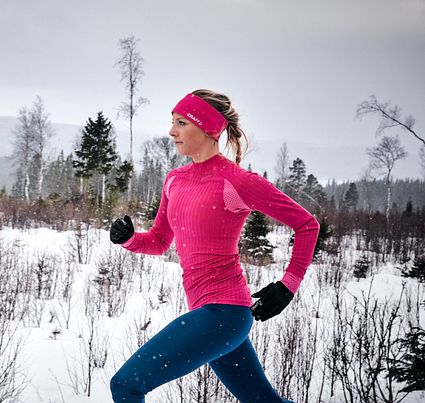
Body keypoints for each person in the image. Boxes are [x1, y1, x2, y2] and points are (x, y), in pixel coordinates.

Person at [108, 89, 320, 402]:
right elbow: (159, 240)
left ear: (207, 128)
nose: (171, 130)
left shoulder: (238, 181)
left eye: (181, 122)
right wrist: (128, 239)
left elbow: (307, 224)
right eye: (172, 122)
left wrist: (287, 286)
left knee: (125, 385)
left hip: (225, 313)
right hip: (212, 314)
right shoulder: (174, 180)